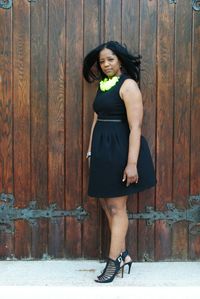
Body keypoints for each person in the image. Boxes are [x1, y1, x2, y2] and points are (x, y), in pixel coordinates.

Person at [83, 41, 156, 283]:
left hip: (120, 151)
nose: (105, 65)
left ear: (120, 61)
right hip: (102, 152)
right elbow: (96, 119)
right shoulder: (103, 85)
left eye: (110, 60)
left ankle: (113, 262)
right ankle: (124, 255)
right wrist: (91, 151)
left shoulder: (128, 86)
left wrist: (132, 163)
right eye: (102, 61)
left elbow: (135, 127)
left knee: (117, 208)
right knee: (106, 205)